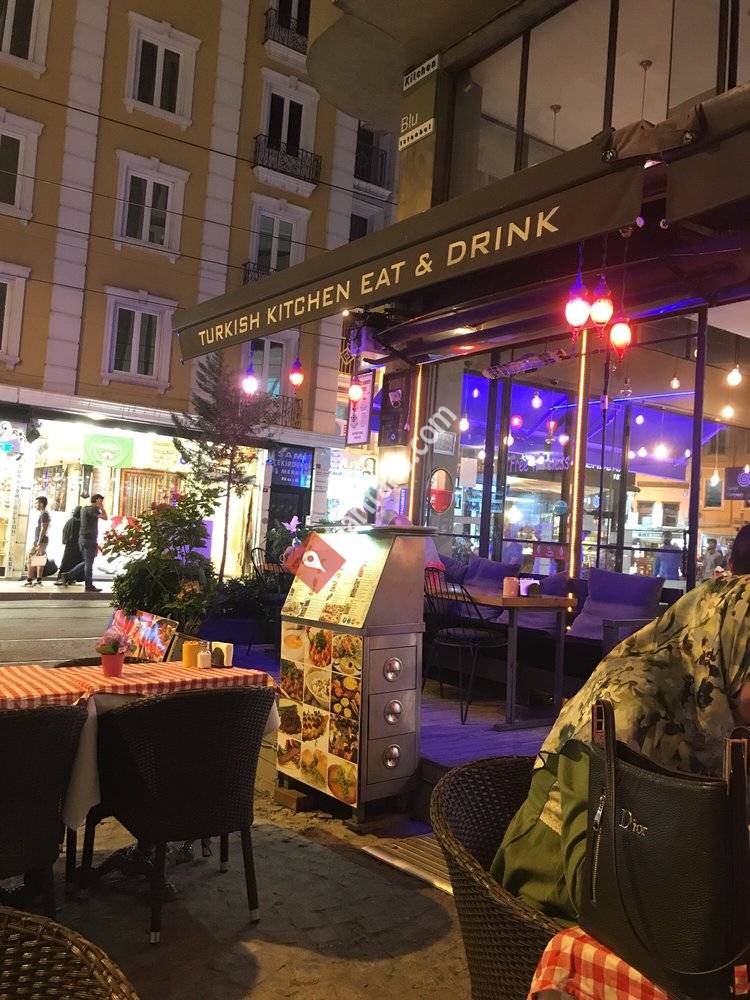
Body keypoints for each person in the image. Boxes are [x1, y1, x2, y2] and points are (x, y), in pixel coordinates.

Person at [490, 523, 750, 923]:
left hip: (654, 910)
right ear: (728, 651)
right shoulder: (626, 706)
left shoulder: (713, 719)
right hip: (548, 906)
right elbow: (594, 882)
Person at [64, 494, 107, 592]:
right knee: (89, 564)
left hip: (84, 539)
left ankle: (68, 576)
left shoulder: (84, 508)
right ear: (96, 500)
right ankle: (89, 585)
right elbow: (105, 517)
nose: (101, 503)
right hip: (89, 539)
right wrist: (102, 508)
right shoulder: (92, 509)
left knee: (88, 561)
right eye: (100, 501)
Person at [24, 497, 50, 587]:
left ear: (41, 504)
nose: (35, 505)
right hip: (40, 540)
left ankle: (32, 580)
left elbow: (44, 528)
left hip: (40, 541)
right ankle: (35, 580)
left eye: (36, 503)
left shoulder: (44, 514)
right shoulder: (44, 513)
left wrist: (39, 541)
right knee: (38, 559)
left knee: (33, 558)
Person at [55, 505, 83, 586]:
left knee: (66, 562)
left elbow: (65, 532)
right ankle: (68, 578)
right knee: (74, 562)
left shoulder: (70, 520)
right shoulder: (78, 522)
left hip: (70, 545)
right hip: (75, 546)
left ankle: (65, 578)